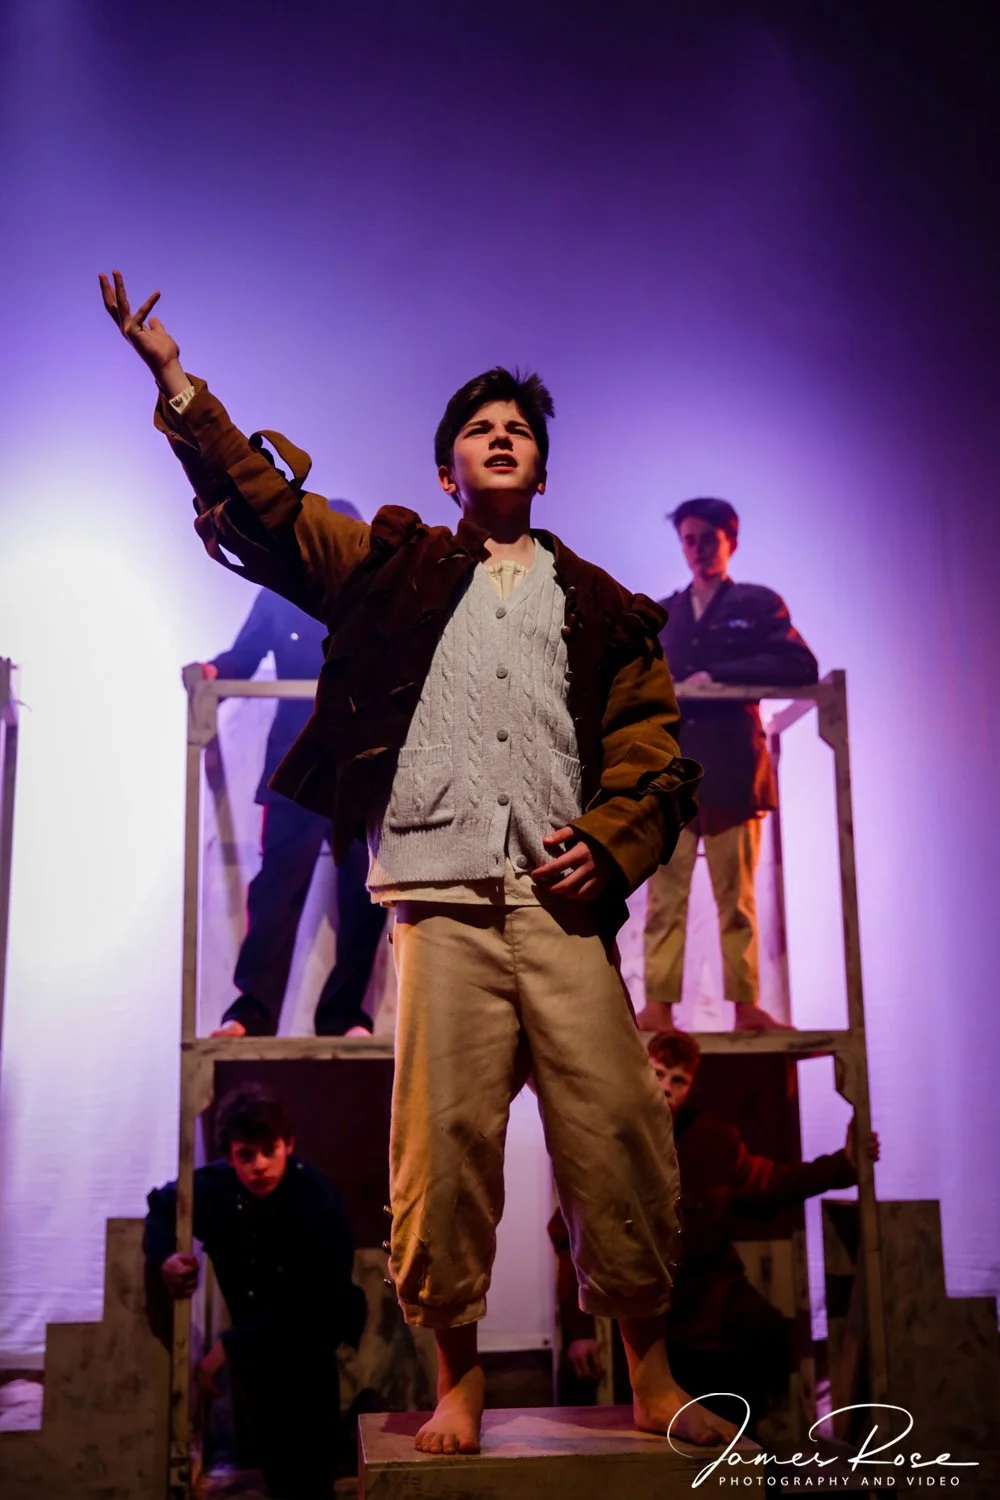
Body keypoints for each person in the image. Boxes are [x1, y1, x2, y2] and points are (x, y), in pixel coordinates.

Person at [100, 269, 738, 1456]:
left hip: (558, 905)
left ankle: (651, 1378)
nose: (500, 438)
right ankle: (458, 1382)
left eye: (518, 430)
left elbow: (651, 753)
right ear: (448, 471)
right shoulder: (392, 566)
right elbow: (274, 511)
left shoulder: (602, 607)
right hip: (439, 903)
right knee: (440, 1147)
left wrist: (609, 845)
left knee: (618, 1132)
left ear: (541, 469)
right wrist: (180, 388)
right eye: (478, 429)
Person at [550, 1031, 880, 1433]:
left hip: (707, 1299)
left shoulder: (712, 1137)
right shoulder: (611, 1139)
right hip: (642, 1305)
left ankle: (744, 1443)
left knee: (765, 1336)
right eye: (658, 1074)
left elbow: (768, 1183)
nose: (666, 1088)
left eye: (678, 1080)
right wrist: (581, 1332)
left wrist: (843, 1164)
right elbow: (571, 1235)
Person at [639, 497, 819, 1034]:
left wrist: (718, 675)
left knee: (736, 900)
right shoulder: (664, 614)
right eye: (689, 540)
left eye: (708, 539)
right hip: (673, 778)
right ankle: (658, 1007)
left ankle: (745, 1007)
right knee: (664, 899)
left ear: (730, 541)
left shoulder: (757, 605)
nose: (697, 550)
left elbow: (799, 664)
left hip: (734, 772)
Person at [186, 565, 388, 1038]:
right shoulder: (281, 592)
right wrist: (212, 673)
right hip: (295, 766)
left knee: (367, 892)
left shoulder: (376, 590)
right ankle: (253, 1011)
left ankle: (343, 1014)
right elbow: (244, 655)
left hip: (360, 767)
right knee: (276, 888)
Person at [144, 1083, 366, 1500]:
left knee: (312, 1468)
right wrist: (165, 1259)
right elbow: (161, 1205)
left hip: (311, 1341)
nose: (260, 1165)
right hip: (256, 1353)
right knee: (274, 1465)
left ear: (289, 1145)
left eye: (270, 1151)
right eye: (247, 1155)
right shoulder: (216, 1187)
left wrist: (224, 1348)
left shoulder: (316, 1198)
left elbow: (313, 1299)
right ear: (230, 1156)